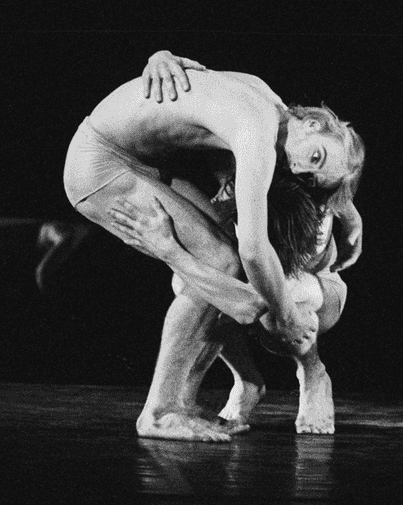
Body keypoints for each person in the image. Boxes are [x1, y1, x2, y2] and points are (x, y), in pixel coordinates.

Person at [64, 51, 365, 441]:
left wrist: (346, 207)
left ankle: (186, 401)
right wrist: (287, 317)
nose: (298, 171)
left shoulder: (265, 98)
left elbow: (198, 78)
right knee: (228, 266)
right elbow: (254, 250)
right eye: (315, 156)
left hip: (139, 161)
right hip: (100, 163)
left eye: (311, 177)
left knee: (226, 268)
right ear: (310, 122)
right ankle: (160, 412)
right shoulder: (255, 130)